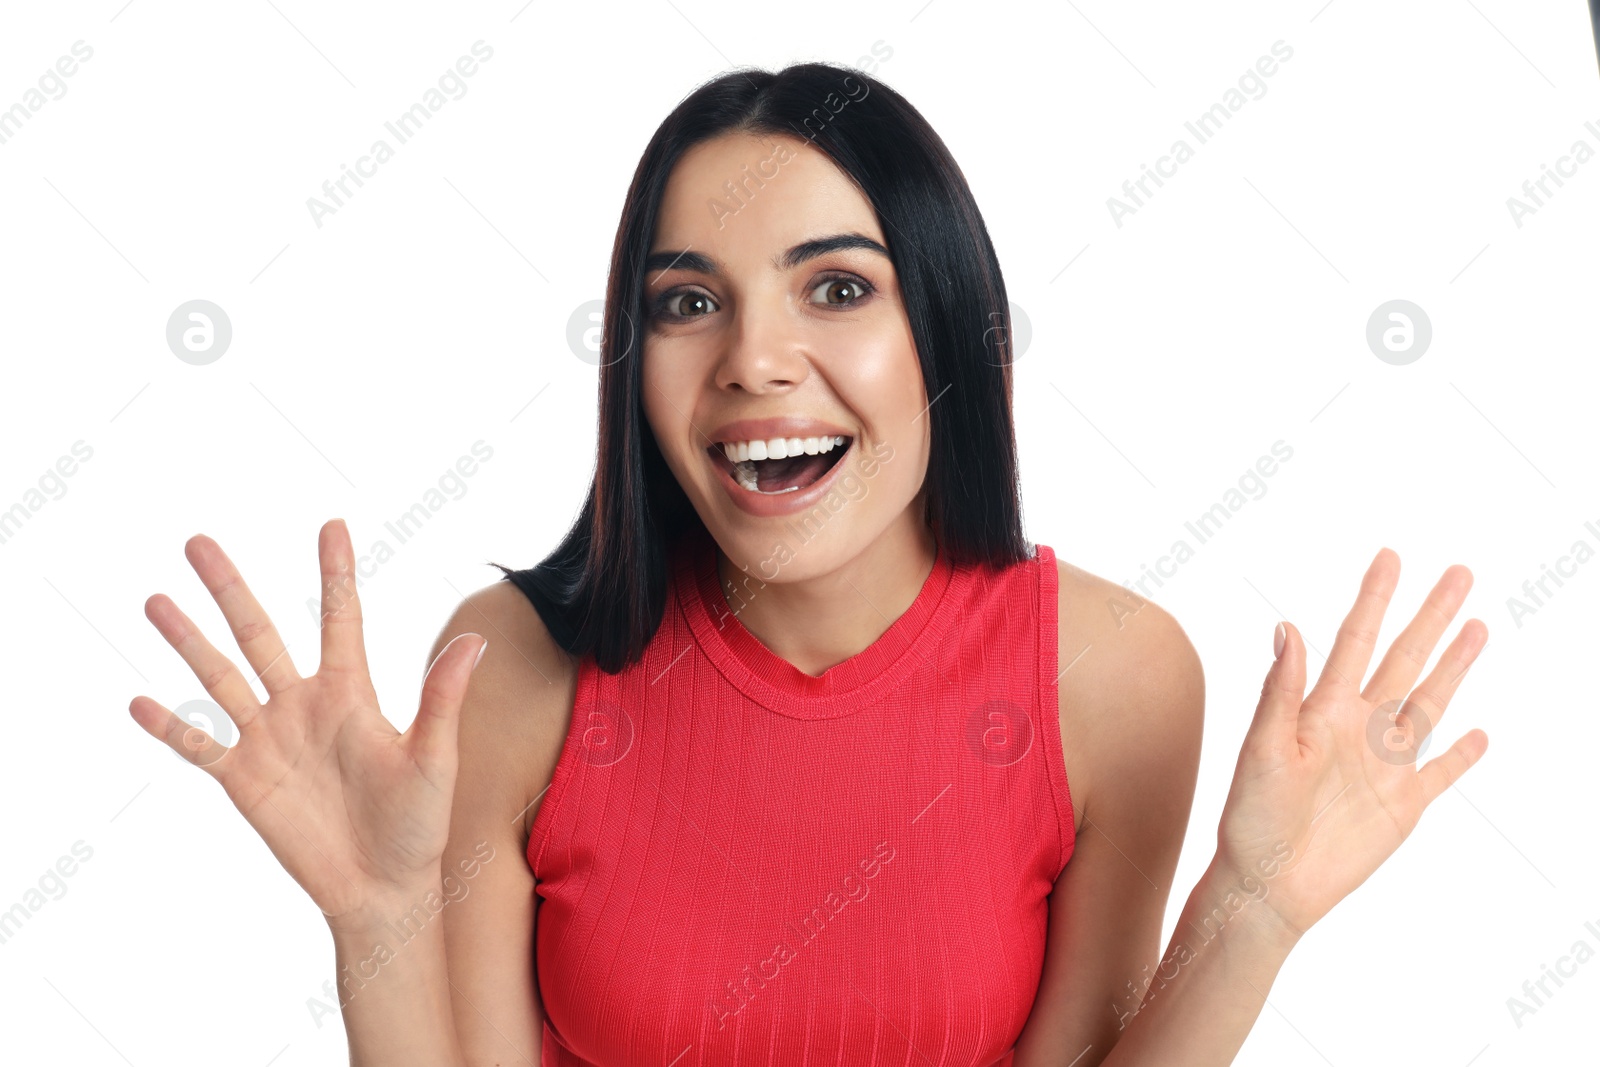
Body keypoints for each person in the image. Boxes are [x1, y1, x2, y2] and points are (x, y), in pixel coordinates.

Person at [129, 61, 1489, 1066]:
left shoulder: (1113, 679)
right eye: (687, 302)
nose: (753, 360)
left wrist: (1249, 912)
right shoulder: (516, 668)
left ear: (946, 334)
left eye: (836, 286)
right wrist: (376, 924)